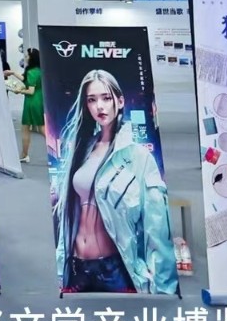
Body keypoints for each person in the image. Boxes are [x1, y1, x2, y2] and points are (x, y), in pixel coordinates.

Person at [52, 69, 177, 294]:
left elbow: (156, 228)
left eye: (106, 98)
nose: (99, 106)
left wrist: (163, 290)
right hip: (75, 268)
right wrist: (60, 267)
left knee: (119, 318)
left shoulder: (138, 157)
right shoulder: (81, 150)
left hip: (113, 270)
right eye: (92, 100)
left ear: (119, 101)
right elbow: (69, 217)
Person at [8, 48, 44, 162]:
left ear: (32, 58)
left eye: (27, 56)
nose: (26, 58)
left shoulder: (31, 72)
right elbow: (26, 80)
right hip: (38, 100)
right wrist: (13, 73)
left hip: (32, 102)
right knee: (28, 127)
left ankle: (59, 149)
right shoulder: (38, 70)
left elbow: (31, 91)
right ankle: (24, 154)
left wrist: (19, 91)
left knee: (39, 128)